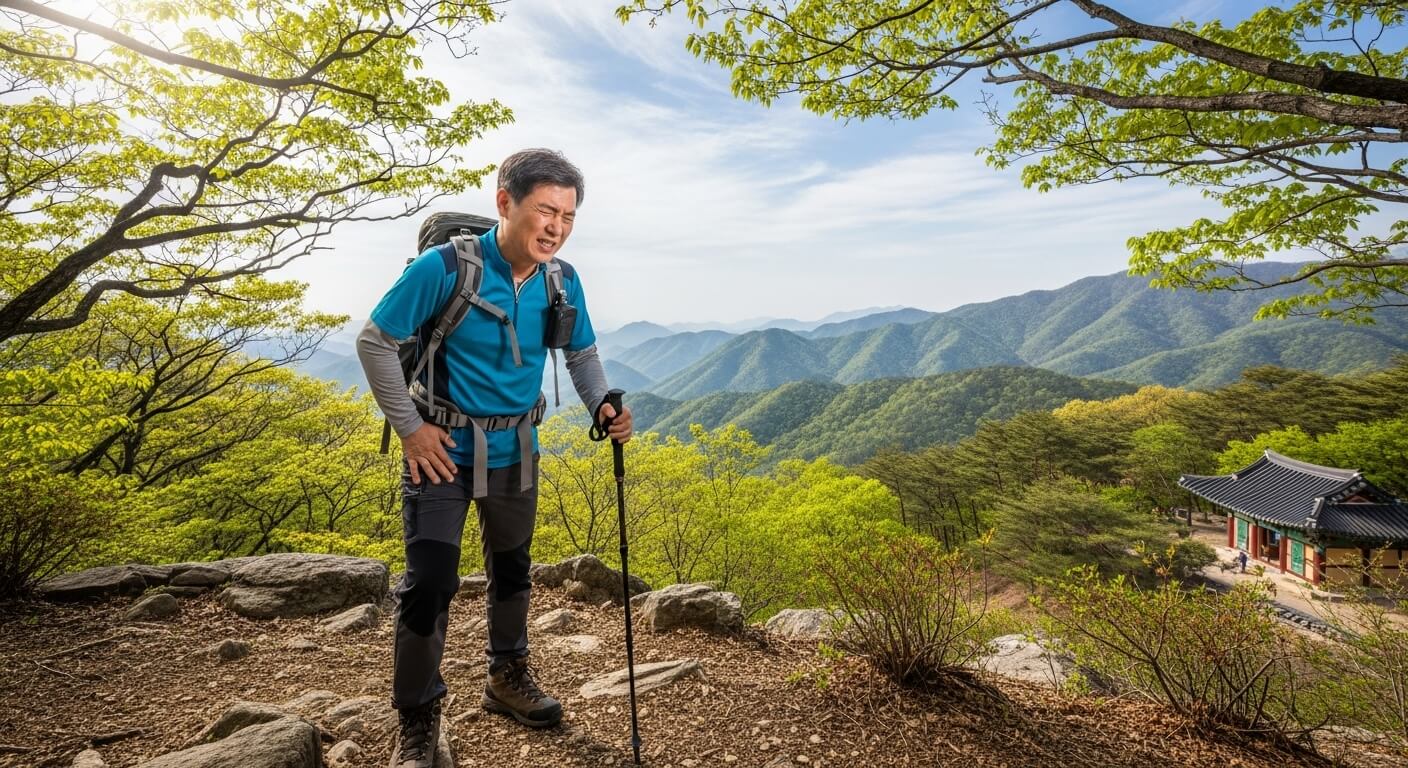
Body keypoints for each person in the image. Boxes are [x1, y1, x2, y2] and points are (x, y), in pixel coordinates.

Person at [356, 149, 633, 768]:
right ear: (505, 203)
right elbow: (374, 342)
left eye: (567, 215)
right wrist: (410, 430)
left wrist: (603, 406)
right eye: (545, 211)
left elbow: (581, 356)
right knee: (429, 583)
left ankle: (505, 678)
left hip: (517, 448)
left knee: (513, 572)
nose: (556, 227)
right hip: (441, 453)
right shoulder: (444, 268)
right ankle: (419, 717)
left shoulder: (562, 279)